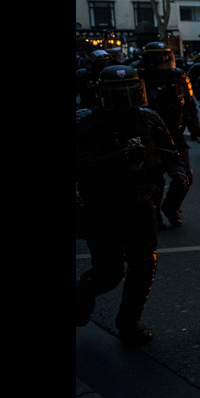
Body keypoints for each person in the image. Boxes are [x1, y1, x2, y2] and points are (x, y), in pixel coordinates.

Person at [76, 65, 179, 344]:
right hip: (102, 207)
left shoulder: (148, 118)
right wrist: (118, 158)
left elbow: (171, 150)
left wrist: (178, 172)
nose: (125, 99)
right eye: (118, 94)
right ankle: (82, 295)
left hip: (141, 203)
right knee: (108, 272)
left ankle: (129, 320)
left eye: (130, 92)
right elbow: (80, 166)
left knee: (144, 263)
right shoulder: (86, 122)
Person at [138, 42, 195, 228]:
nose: (164, 62)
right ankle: (154, 214)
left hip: (175, 133)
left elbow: (189, 104)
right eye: (160, 59)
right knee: (153, 179)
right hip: (149, 136)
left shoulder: (178, 77)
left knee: (184, 177)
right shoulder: (139, 78)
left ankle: (171, 207)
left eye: (166, 57)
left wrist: (196, 129)